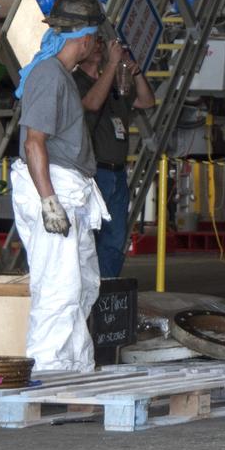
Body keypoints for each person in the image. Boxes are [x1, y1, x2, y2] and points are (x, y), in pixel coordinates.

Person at [11, 0, 111, 373]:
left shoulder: (60, 75)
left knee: (82, 285)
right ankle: (49, 371)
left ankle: (73, 367)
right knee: (58, 286)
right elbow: (34, 142)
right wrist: (48, 201)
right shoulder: (48, 75)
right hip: (53, 189)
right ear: (84, 39)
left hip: (70, 190)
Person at [74, 36, 156, 277]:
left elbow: (146, 101)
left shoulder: (114, 82)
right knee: (90, 237)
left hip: (117, 172)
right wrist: (111, 66)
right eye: (96, 43)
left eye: (103, 43)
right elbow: (92, 103)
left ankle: (107, 288)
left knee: (115, 237)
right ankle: (88, 290)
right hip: (94, 171)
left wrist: (135, 71)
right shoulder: (76, 81)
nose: (100, 47)